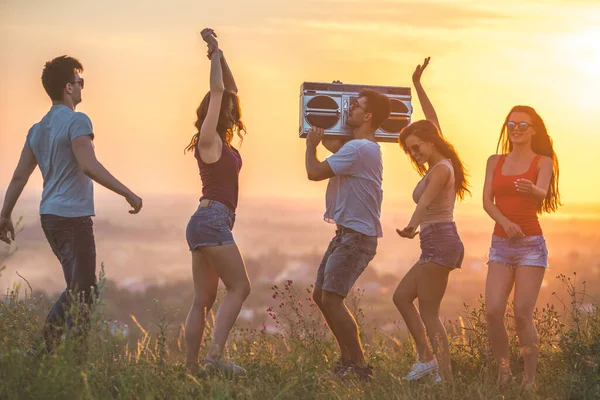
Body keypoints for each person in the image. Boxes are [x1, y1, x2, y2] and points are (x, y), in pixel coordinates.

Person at [0, 55, 143, 352]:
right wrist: (127, 192)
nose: (82, 87)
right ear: (68, 87)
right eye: (80, 82)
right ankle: (43, 353)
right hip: (73, 218)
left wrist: (4, 215)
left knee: (79, 291)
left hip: (50, 217)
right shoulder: (78, 120)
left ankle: (65, 358)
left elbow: (18, 178)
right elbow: (88, 164)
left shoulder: (37, 129)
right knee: (83, 291)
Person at [393, 57, 470, 382]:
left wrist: (411, 226)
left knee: (429, 312)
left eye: (415, 147)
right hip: (434, 243)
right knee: (400, 297)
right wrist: (418, 84)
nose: (413, 154)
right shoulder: (438, 162)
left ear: (431, 141)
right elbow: (431, 119)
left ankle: (447, 378)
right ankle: (426, 358)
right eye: (409, 150)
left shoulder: (441, 169)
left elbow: (424, 201)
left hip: (440, 242)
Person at [305, 89, 390, 380]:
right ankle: (347, 362)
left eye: (355, 106)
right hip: (348, 234)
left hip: (356, 237)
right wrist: (337, 104)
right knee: (321, 295)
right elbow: (334, 145)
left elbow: (314, 172)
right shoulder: (361, 148)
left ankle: (360, 367)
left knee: (331, 300)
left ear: (367, 116)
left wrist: (309, 146)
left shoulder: (359, 149)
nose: (350, 109)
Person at [183, 28, 250, 376]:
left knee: (203, 302)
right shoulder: (207, 141)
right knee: (241, 287)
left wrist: (221, 57)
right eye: (222, 106)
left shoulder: (222, 144)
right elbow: (220, 90)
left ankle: (191, 369)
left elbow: (230, 90)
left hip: (205, 222)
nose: (230, 106)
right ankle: (214, 358)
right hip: (212, 221)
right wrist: (213, 52)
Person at [483, 105, 560, 389]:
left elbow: (542, 192)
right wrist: (505, 222)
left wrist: (533, 190)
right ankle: (504, 371)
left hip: (530, 245)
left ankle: (529, 380)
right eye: (511, 124)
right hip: (500, 244)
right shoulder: (494, 160)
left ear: (534, 130)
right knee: (493, 311)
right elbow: (487, 202)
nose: (516, 129)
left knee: (521, 314)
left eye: (523, 125)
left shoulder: (543, 161)